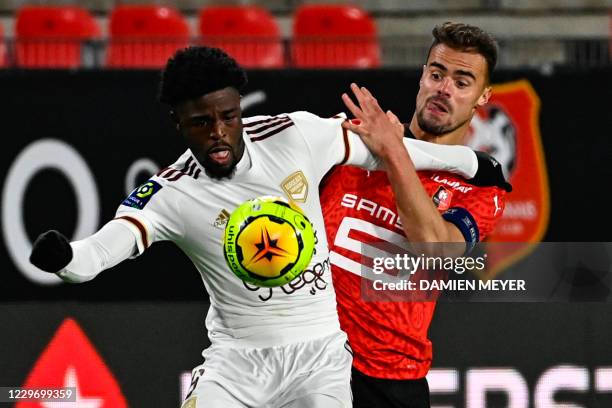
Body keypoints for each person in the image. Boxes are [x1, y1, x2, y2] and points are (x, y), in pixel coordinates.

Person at [29, 46, 504, 408]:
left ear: (240, 107)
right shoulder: (171, 192)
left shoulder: (295, 135)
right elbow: (105, 248)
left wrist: (468, 162)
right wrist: (67, 258)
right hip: (236, 365)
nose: (218, 132)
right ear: (178, 124)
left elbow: (386, 149)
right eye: (201, 122)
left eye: (228, 116)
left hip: (324, 361)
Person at [321, 22, 510, 408]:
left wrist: (394, 152)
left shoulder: (482, 187)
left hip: (390, 382)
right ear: (423, 75)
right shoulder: (351, 146)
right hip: (311, 361)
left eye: (462, 81)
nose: (444, 88)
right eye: (437, 74)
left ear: (482, 96)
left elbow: (436, 251)